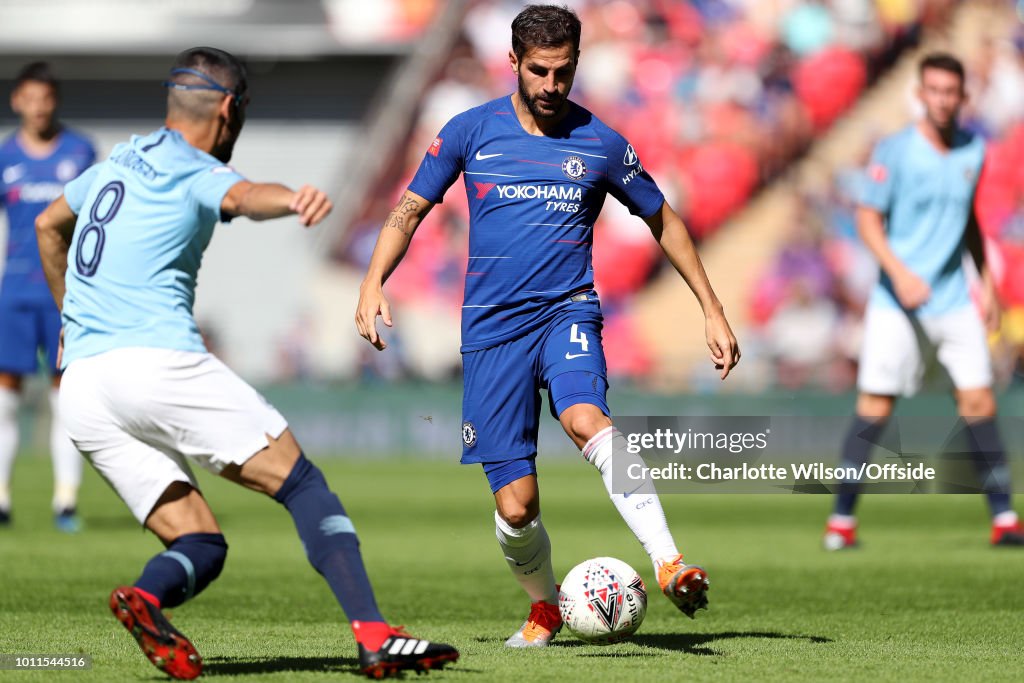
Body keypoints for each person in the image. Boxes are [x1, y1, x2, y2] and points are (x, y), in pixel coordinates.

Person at [34, 47, 458, 679]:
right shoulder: (193, 168)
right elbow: (245, 194)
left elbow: (47, 225)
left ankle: (147, 598)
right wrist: (294, 199)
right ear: (230, 108)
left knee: (199, 541)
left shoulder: (117, 160)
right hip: (157, 363)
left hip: (87, 388)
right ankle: (374, 635)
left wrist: (69, 325)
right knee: (304, 485)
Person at [356, 5, 740, 647]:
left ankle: (669, 560)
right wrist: (372, 283)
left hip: (568, 312)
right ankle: (545, 606)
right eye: (539, 71)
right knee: (517, 507)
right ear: (513, 62)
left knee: (587, 418)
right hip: (490, 332)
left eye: (563, 72)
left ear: (577, 64)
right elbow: (408, 208)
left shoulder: (603, 143)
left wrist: (712, 307)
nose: (552, 86)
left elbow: (664, 219)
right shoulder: (468, 132)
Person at [823, 52, 1024, 550]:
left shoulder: (973, 150)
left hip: (954, 298)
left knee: (978, 401)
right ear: (920, 94)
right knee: (876, 405)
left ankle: (1004, 520)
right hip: (898, 301)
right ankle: (841, 523)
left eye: (949, 91)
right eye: (932, 90)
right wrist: (900, 274)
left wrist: (989, 287)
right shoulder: (894, 150)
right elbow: (869, 220)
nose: (940, 99)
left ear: (962, 97)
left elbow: (968, 222)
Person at [0, 62, 94, 532]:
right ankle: (1, 497)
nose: (38, 107)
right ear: (18, 101)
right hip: (14, 291)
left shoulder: (79, 152)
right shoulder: (5, 157)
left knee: (66, 399)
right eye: (30, 98)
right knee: (6, 401)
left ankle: (66, 502)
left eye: (46, 98)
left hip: (63, 292)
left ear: (55, 100)